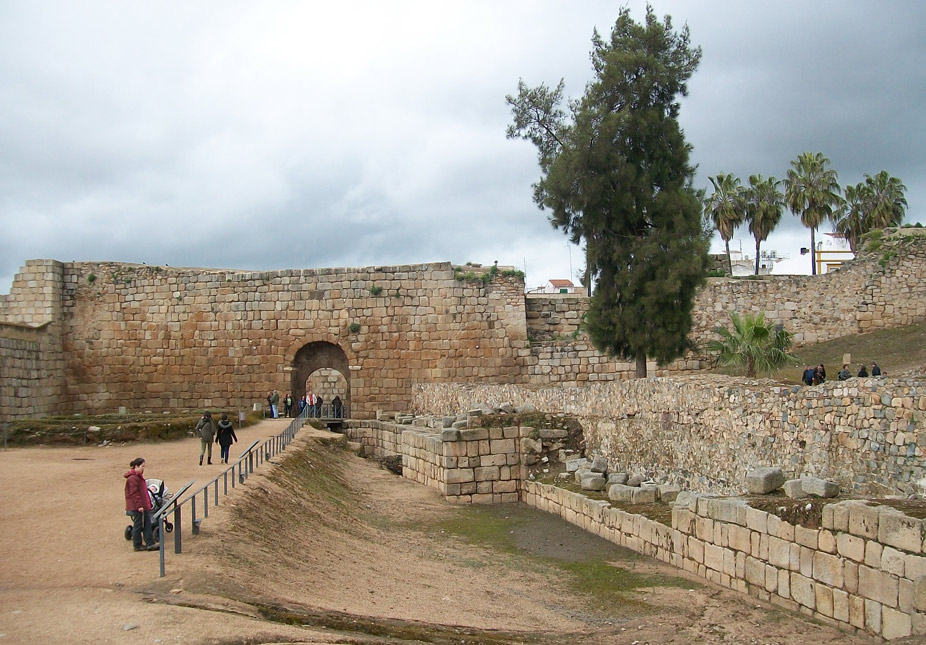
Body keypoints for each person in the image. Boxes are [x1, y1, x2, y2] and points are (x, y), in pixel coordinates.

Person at [124, 457, 158, 551]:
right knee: (138, 525)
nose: (143, 468)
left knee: (147, 523)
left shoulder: (137, 477)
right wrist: (139, 506)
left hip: (143, 505)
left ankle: (149, 543)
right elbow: (134, 494)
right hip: (138, 507)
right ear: (136, 466)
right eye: (142, 466)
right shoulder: (133, 479)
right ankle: (138, 544)